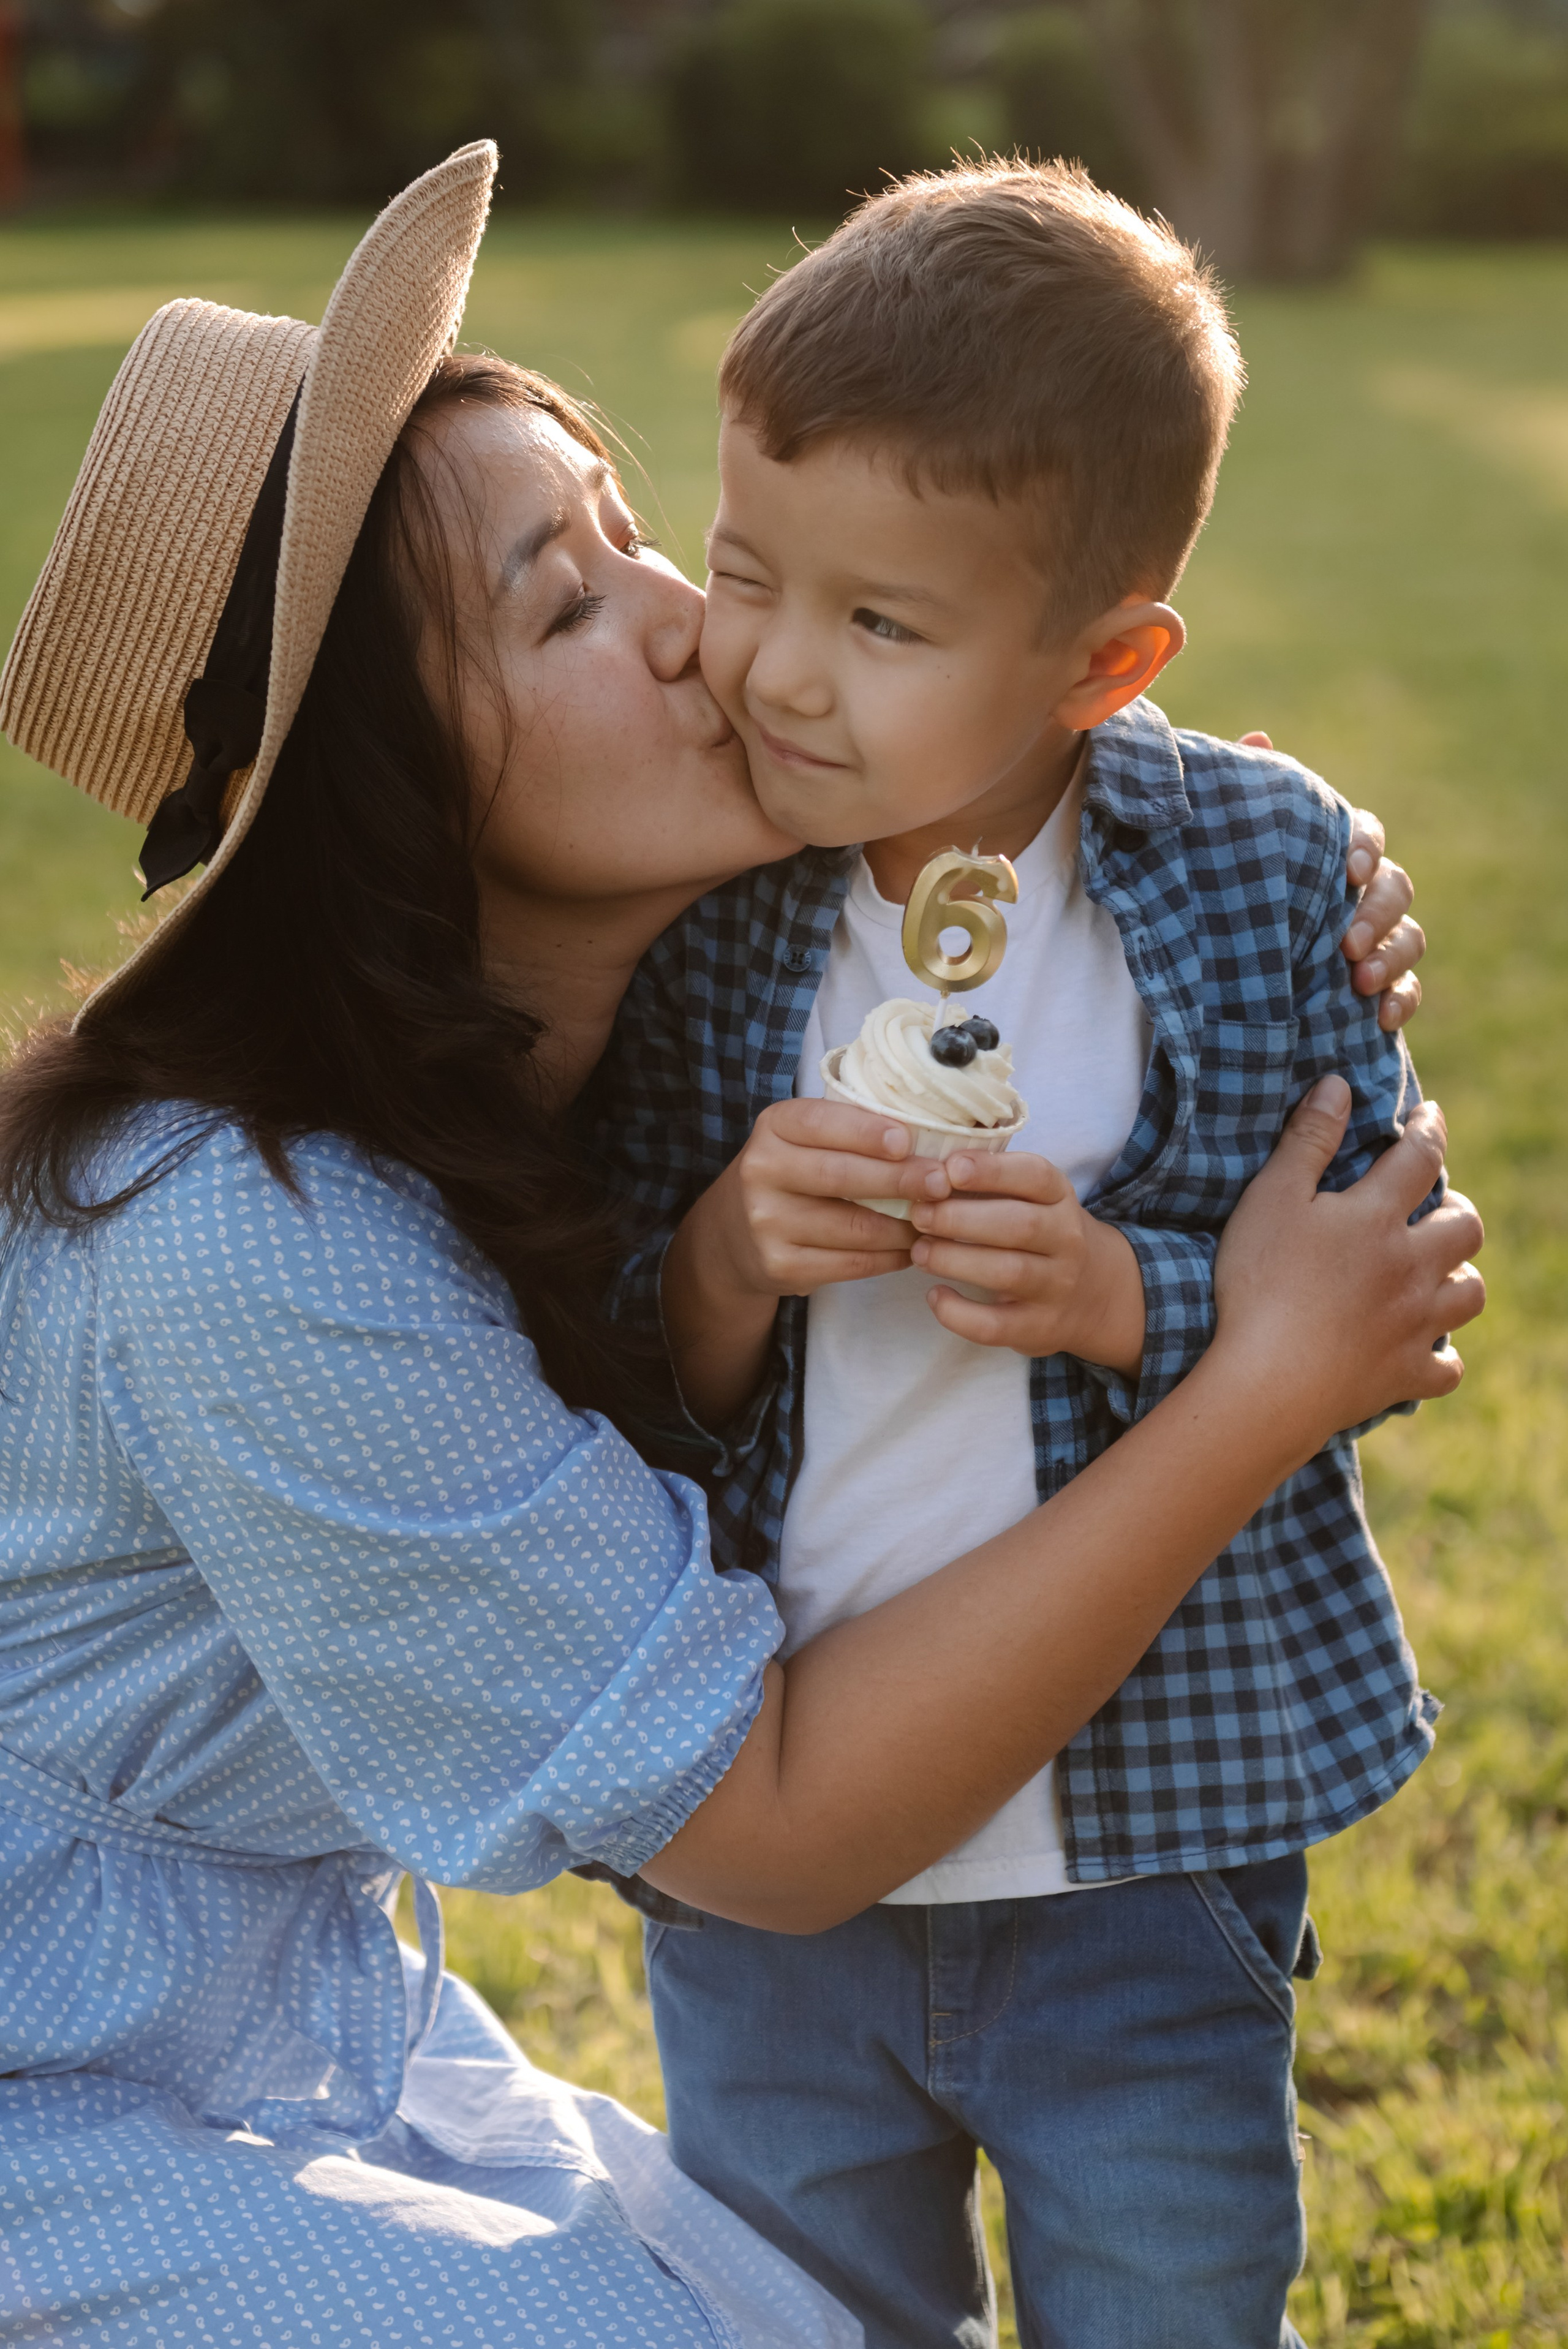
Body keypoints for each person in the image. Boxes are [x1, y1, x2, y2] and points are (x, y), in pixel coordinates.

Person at [0, 146, 1474, 2349]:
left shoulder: (629, 1032)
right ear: (391, 791)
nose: (705, 625)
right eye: (567, 607)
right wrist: (1258, 1380)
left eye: (631, 535)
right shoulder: (251, 1232)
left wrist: (1251, 842)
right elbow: (769, 1834)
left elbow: (1018, 743)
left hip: (258, 2020)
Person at [589, 160, 1455, 2349]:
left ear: (1109, 663)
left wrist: (1127, 1296)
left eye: (883, 625)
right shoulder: (705, 886)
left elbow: (1380, 1287)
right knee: (800, 2312)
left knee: (1170, 2299)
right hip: (783, 1868)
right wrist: (724, 1252)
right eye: (744, 572)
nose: (778, 670)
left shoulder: (1257, 874)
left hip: (1147, 1853)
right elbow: (602, 1357)